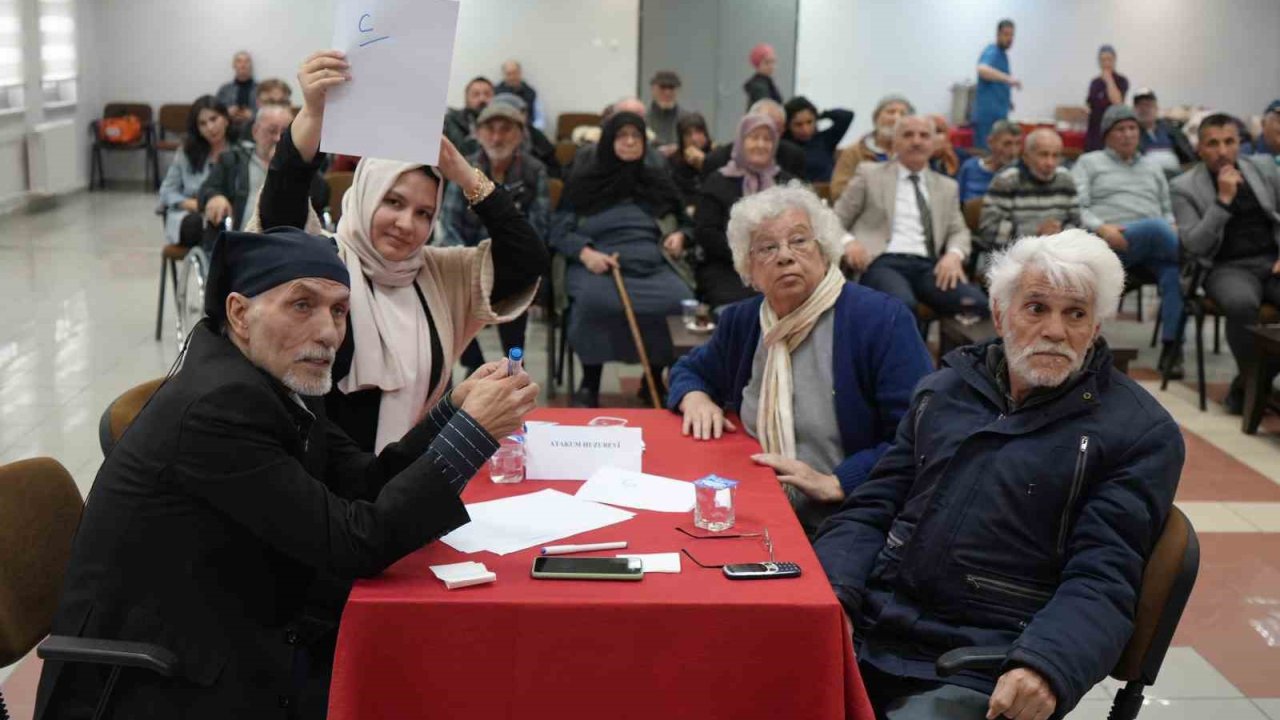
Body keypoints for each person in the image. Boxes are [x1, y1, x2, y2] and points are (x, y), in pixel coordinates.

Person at [33, 227, 540, 720]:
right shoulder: (219, 408)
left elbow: (365, 483)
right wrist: (473, 435)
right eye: (302, 305)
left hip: (232, 626)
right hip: (162, 682)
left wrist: (453, 410)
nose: (328, 332)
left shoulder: (277, 376)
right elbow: (353, 545)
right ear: (239, 313)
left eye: (339, 311)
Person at [814, 230, 1184, 720]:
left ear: (1095, 327)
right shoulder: (944, 391)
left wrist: (1045, 665)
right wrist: (833, 592)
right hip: (871, 631)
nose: (1055, 330)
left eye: (1075, 314)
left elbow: (1103, 578)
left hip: (985, 666)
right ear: (999, 313)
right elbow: (871, 508)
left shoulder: (1137, 433)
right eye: (1036, 308)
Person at [254, 50, 549, 453]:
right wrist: (313, 113)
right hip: (316, 481)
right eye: (393, 202)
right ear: (365, 196)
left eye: (424, 212)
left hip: (407, 480)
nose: (407, 224)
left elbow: (527, 260)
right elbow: (280, 212)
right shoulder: (322, 260)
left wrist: (463, 173)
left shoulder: (439, 275)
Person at [669, 182, 933, 535]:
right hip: (755, 504)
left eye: (798, 240)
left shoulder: (880, 320)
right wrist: (695, 396)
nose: (785, 256)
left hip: (852, 513)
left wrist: (837, 482)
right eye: (767, 248)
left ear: (823, 251)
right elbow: (690, 370)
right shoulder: (744, 322)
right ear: (748, 269)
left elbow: (919, 435)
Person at [553, 112, 694, 407]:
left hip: (653, 266)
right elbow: (557, 230)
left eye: (636, 137)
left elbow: (686, 222)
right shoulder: (584, 182)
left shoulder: (658, 180)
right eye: (622, 136)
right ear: (608, 141)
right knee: (596, 303)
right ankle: (590, 382)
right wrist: (585, 253)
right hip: (600, 265)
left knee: (679, 301)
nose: (630, 142)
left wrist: (680, 236)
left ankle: (654, 378)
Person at [1172, 113, 1280, 413]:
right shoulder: (1184, 186)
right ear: (1200, 149)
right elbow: (1194, 244)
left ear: (1240, 144)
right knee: (1242, 304)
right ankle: (1255, 386)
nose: (1222, 151)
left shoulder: (1263, 168)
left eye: (1230, 142)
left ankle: (1248, 386)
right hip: (1224, 267)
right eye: (1213, 144)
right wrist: (1222, 201)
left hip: (1271, 260)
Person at [834, 115, 986, 320]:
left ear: (933, 144)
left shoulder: (947, 186)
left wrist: (954, 255)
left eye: (924, 136)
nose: (916, 141)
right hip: (882, 261)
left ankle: (956, 353)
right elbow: (834, 219)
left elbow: (958, 230)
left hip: (928, 266)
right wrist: (849, 243)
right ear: (895, 142)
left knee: (977, 304)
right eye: (908, 135)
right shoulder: (869, 174)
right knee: (902, 306)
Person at [440, 101, 552, 374]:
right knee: (449, 282)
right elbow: (450, 222)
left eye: (506, 129)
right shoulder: (464, 168)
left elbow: (538, 226)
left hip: (511, 261)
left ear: (521, 134)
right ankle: (471, 362)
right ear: (477, 133)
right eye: (489, 129)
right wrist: (472, 262)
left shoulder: (534, 171)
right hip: (470, 259)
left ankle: (514, 365)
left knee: (519, 279)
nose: (497, 137)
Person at [1073, 104, 1185, 377]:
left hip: (1154, 245)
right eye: (1120, 129)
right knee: (1161, 232)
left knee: (1175, 275)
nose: (1128, 134)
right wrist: (1102, 228)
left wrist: (1173, 224)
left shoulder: (1152, 167)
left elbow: (1166, 208)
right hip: (1111, 241)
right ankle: (1196, 260)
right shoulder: (1089, 162)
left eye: (1133, 128)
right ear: (1107, 134)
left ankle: (1172, 349)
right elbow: (1077, 205)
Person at [694, 114, 797, 310]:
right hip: (729, 267)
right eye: (754, 137)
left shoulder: (787, 184)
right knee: (741, 312)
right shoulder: (718, 181)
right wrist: (749, 256)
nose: (760, 144)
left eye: (767, 139)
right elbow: (705, 233)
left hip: (780, 264)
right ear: (741, 141)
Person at [199, 103, 298, 232]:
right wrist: (215, 197)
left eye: (284, 133)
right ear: (255, 131)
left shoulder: (298, 164)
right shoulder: (233, 160)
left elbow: (320, 195)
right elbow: (206, 190)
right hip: (242, 241)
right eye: (272, 131)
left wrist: (287, 163)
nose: (278, 138)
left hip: (286, 241)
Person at [979, 128, 1083, 252]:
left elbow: (1078, 225)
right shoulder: (1007, 180)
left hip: (1057, 252)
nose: (1050, 163)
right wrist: (1034, 234)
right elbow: (989, 231)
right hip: (1014, 255)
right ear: (1026, 156)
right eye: (1043, 154)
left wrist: (1059, 233)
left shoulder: (1065, 179)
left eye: (1056, 156)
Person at [158, 95, 229, 247]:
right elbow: (166, 191)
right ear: (197, 129)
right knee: (203, 224)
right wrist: (195, 204)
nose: (210, 127)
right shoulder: (186, 152)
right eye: (202, 124)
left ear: (225, 119)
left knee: (223, 226)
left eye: (213, 119)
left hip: (229, 215)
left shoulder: (241, 151)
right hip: (191, 216)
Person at [830, 95, 914, 200]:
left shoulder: (915, 154)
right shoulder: (853, 152)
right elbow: (838, 191)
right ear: (876, 118)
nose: (896, 118)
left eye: (903, 114)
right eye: (890, 112)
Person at [702, 99, 806, 179]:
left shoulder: (793, 157)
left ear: (782, 131)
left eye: (772, 132)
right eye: (756, 134)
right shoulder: (716, 161)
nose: (761, 143)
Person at [972, 19, 1019, 150]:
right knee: (986, 153)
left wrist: (1007, 100)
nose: (1009, 38)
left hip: (999, 114)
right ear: (997, 34)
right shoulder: (992, 51)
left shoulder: (1003, 56)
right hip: (988, 116)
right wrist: (1008, 79)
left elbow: (997, 82)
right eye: (1006, 34)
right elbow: (982, 70)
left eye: (1012, 35)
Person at [783, 96, 853, 182]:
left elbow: (847, 116)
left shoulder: (825, 140)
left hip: (828, 191)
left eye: (809, 122)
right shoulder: (783, 146)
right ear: (788, 125)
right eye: (798, 124)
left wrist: (822, 114)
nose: (805, 129)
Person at [956, 119, 1021, 202]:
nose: (1013, 152)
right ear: (990, 142)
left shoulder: (1022, 173)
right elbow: (957, 203)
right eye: (1007, 144)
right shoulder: (970, 168)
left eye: (1018, 144)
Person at [1133, 88, 1195, 176]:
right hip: (1145, 177)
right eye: (1140, 106)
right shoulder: (1130, 133)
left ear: (1156, 108)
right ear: (1134, 110)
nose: (1144, 109)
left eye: (1148, 105)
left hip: (1178, 176)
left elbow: (1190, 158)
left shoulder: (1172, 129)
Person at [1084, 45, 1128, 152]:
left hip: (1111, 128)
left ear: (1114, 60)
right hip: (1095, 129)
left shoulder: (1121, 80)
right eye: (1102, 60)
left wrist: (1108, 80)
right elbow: (1089, 103)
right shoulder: (1095, 82)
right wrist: (1086, 109)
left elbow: (1117, 103)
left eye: (1109, 59)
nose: (1106, 63)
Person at [669, 112, 713, 207]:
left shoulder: (717, 156)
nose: (694, 138)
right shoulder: (673, 161)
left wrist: (705, 163)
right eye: (688, 134)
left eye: (698, 132)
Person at [443, 76, 494, 152]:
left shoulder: (504, 123)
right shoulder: (451, 122)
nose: (482, 99)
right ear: (466, 98)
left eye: (487, 94)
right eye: (476, 94)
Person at [216, 51, 257, 136]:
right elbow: (215, 112)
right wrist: (227, 112)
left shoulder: (260, 90)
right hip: (227, 133)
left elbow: (267, 112)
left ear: (251, 66)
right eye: (239, 61)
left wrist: (252, 115)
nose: (243, 64)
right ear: (233, 65)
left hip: (254, 133)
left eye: (247, 61)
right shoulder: (224, 90)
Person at [646, 70, 687, 153]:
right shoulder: (642, 118)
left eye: (671, 88)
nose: (667, 92)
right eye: (662, 87)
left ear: (677, 90)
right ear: (653, 89)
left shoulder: (687, 119)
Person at [495, 59, 544, 130]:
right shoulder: (495, 93)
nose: (512, 77)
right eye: (508, 74)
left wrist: (534, 131)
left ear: (520, 73)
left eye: (515, 73)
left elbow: (540, 118)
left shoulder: (531, 92)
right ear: (504, 75)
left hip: (527, 131)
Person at [926, 114, 970, 179]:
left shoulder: (961, 156)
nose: (934, 137)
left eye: (938, 131)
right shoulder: (916, 157)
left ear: (947, 134)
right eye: (928, 133)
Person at [743, 42, 782, 109]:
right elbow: (767, 109)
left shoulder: (767, 82)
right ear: (758, 64)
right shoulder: (758, 86)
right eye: (767, 63)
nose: (771, 66)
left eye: (773, 62)